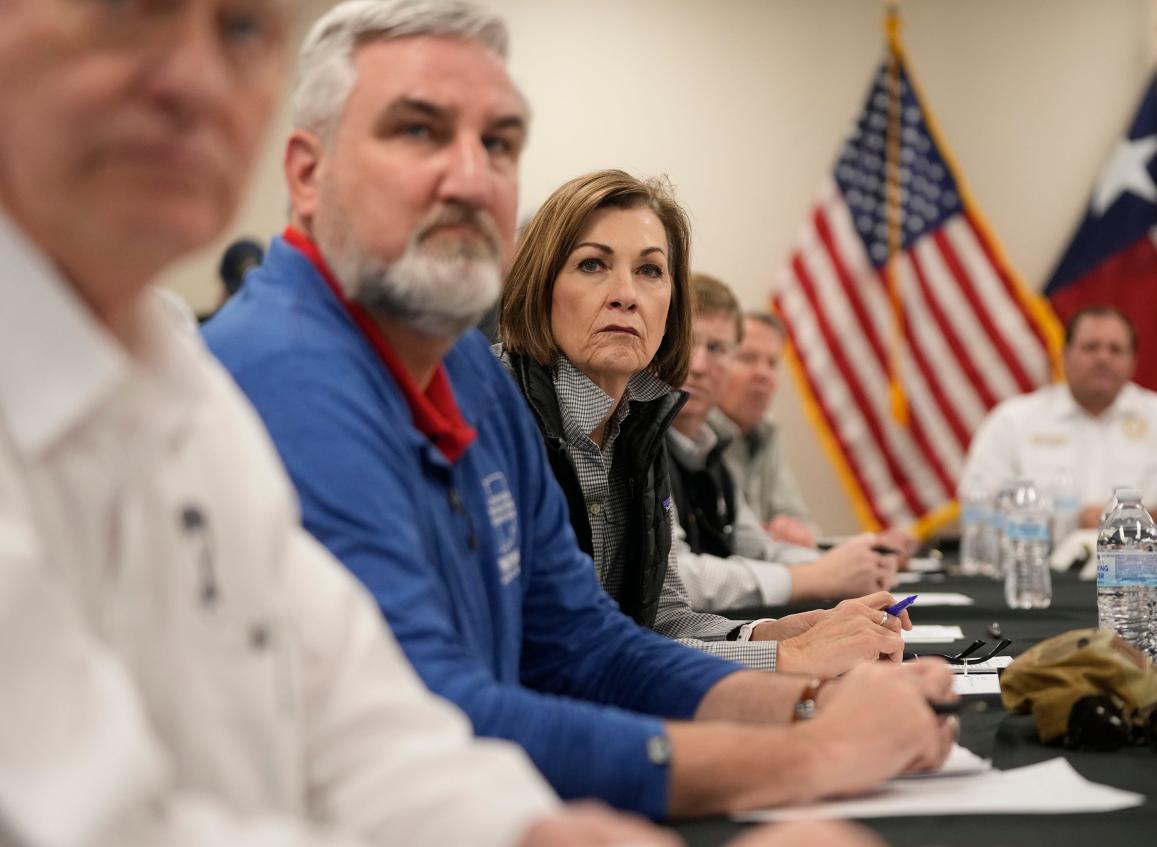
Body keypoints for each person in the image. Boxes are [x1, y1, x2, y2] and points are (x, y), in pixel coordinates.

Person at [204, 0, 956, 821]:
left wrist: (808, 701)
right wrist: (814, 749)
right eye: (418, 131)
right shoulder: (284, 369)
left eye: (498, 142)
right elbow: (438, 714)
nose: (469, 176)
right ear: (308, 174)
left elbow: (586, 644)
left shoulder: (459, 363)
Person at [0, 1, 705, 845]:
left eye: (243, 30)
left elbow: (375, 735)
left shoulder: (190, 397)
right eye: (130, 10)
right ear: (306, 173)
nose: (194, 78)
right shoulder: (272, 368)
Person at [495, 168, 909, 675]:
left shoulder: (638, 420)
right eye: (592, 264)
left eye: (650, 270)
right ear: (540, 287)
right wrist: (785, 659)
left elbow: (659, 621)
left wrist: (769, 632)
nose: (626, 293)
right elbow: (557, 653)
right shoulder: (493, 413)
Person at [665, 274, 900, 613]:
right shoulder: (639, 444)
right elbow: (675, 578)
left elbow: (760, 547)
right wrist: (814, 576)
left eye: (716, 349)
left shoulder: (706, 451)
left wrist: (855, 564)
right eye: (686, 344)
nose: (698, 365)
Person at [959, 305, 1157, 527]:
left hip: (1139, 570)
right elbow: (977, 504)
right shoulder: (1013, 421)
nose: (1103, 358)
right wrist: (1057, 524)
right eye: (1090, 347)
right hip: (1041, 568)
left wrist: (1121, 522)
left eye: (1116, 350)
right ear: (1064, 355)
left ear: (1133, 361)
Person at [716, 312, 819, 547]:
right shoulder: (694, 435)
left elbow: (802, 525)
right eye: (747, 358)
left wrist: (794, 531)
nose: (762, 373)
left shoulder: (765, 432)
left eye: (772, 363)